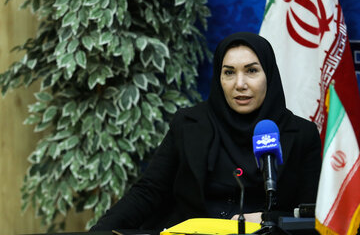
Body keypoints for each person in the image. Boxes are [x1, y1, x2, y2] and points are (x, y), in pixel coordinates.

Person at [90, 32, 322, 231]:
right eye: (229, 72)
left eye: (251, 71)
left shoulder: (301, 134)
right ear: (219, 78)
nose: (239, 84)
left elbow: (311, 215)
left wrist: (268, 219)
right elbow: (149, 191)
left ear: (269, 75)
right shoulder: (189, 124)